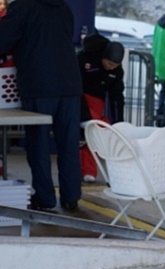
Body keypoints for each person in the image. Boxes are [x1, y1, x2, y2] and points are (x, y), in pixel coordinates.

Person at [0, 0, 83, 211]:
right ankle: (71, 197)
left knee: (39, 144)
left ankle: (45, 198)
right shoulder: (63, 7)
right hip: (70, 83)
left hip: (39, 82)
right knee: (69, 144)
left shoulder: (22, 7)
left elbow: (3, 39)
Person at [77, 34, 125, 184]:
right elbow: (75, 86)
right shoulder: (85, 58)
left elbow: (117, 96)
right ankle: (82, 169)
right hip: (78, 96)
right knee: (87, 132)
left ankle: (89, 170)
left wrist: (119, 122)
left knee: (96, 133)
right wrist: (84, 116)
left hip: (97, 100)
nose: (110, 67)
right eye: (109, 64)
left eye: (114, 66)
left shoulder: (116, 71)